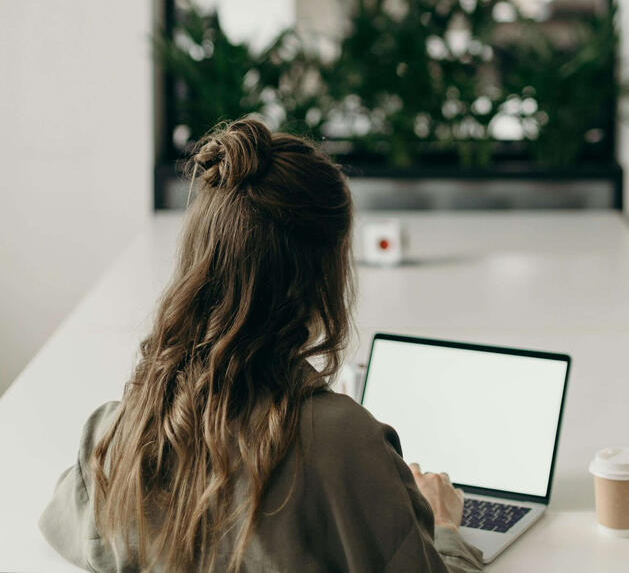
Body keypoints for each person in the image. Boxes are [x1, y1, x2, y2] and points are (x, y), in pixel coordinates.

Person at [39, 117, 483, 573]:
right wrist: (445, 527)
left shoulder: (116, 435)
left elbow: (68, 526)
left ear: (197, 262)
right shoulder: (345, 446)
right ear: (325, 279)